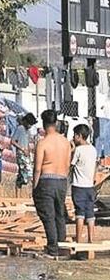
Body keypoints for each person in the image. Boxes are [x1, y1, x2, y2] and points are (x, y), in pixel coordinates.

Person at [33, 110, 72, 257]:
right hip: (62, 180)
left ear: (44, 124)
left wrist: (34, 186)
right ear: (56, 123)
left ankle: (52, 248)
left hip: (46, 180)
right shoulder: (66, 143)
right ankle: (61, 246)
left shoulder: (42, 143)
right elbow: (68, 165)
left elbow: (37, 169)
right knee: (59, 215)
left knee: (48, 216)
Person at [71, 123, 98, 245]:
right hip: (90, 186)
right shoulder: (93, 149)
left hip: (78, 186)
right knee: (90, 212)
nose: (73, 138)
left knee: (80, 212)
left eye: (74, 136)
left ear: (79, 136)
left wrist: (71, 150)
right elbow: (95, 166)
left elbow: (71, 165)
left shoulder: (78, 150)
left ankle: (79, 239)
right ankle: (91, 239)